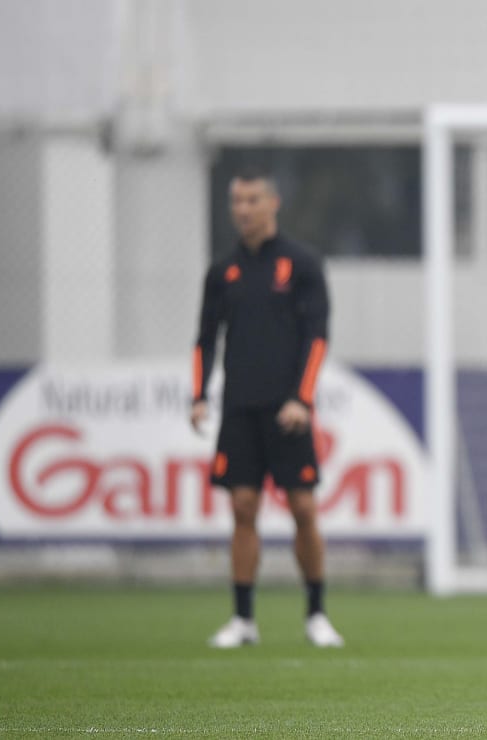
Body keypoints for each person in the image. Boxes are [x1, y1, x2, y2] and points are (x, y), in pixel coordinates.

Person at [191, 167, 344, 649]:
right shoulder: (222, 272)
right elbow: (204, 340)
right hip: (239, 406)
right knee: (242, 506)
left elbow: (317, 337)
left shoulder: (301, 264)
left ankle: (316, 613)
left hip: (288, 410)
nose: (243, 209)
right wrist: (198, 395)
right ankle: (243, 620)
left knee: (302, 507)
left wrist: (302, 398)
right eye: (236, 201)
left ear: (273, 203)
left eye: (252, 200)